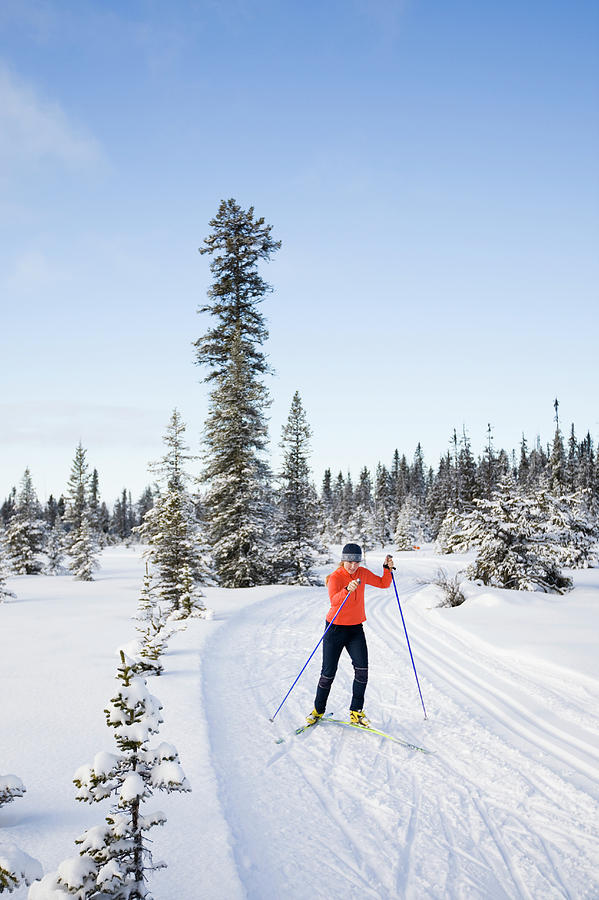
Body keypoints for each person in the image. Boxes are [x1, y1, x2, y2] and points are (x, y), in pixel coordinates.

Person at [306, 542, 394, 727]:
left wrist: (387, 569)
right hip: (335, 629)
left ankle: (356, 712)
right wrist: (347, 590)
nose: (353, 566)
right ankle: (317, 711)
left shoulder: (362, 573)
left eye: (356, 562)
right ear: (343, 560)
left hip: (355, 629)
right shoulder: (336, 577)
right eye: (349, 561)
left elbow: (383, 583)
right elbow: (334, 601)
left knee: (362, 671)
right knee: (328, 674)